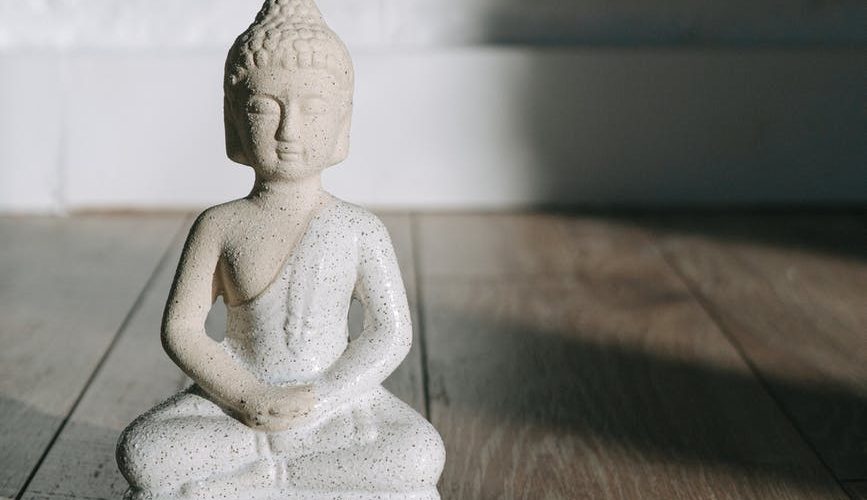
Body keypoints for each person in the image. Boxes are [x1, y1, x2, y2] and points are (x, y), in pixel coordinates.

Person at [116, 1, 445, 498]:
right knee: (144, 450)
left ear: (343, 123)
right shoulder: (219, 225)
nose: (289, 131)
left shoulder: (359, 228)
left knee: (418, 453)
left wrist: (323, 395)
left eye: (313, 109)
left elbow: (390, 334)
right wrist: (247, 395)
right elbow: (182, 329)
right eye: (263, 107)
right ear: (233, 120)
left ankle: (257, 481)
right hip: (240, 405)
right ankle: (294, 476)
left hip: (333, 405)